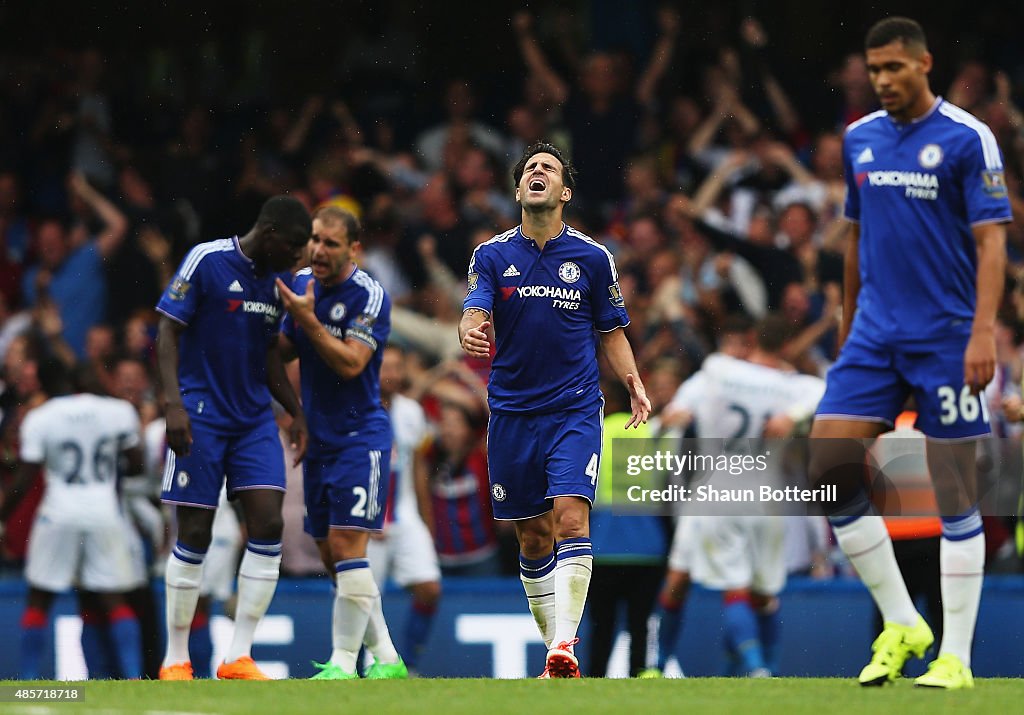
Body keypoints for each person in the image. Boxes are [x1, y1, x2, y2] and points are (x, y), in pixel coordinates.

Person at [808, 17, 1011, 690]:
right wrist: (846, 324)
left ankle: (955, 656)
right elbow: (853, 239)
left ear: (925, 63)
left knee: (956, 493)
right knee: (828, 466)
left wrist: (984, 331)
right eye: (874, 71)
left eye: (895, 67)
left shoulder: (967, 138)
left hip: (947, 335)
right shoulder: (859, 138)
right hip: (874, 334)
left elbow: (991, 244)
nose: (884, 80)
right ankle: (902, 620)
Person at [460, 141, 651, 678]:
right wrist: (468, 329)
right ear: (519, 190)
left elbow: (611, 330)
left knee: (570, 518)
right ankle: (557, 654)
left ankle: (563, 645)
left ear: (564, 192)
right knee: (532, 535)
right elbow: (473, 309)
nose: (537, 174)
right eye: (529, 170)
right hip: (512, 413)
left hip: (574, 410)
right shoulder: (491, 255)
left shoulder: (592, 258)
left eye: (548, 168)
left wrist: (633, 381)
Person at [155, 195, 311, 681]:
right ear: (269, 234)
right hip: (200, 415)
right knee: (195, 533)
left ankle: (238, 656)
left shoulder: (275, 281)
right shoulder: (206, 260)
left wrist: (296, 411)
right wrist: (172, 403)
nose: (298, 256)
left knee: (267, 525)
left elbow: (268, 355)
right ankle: (175, 658)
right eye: (294, 246)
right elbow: (167, 331)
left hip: (252, 421)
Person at [276, 205, 407, 680]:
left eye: (330, 243)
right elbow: (281, 351)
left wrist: (308, 320)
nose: (318, 250)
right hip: (321, 441)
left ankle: (342, 664)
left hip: (361, 438)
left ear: (354, 248)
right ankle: (388, 657)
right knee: (332, 558)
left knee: (347, 547)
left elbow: (351, 363)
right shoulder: (302, 284)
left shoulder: (369, 296)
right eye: (314, 239)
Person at [659, 315, 826, 677]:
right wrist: (795, 417)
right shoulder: (799, 388)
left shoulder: (718, 370)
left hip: (715, 494)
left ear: (751, 340)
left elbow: (674, 413)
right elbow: (825, 392)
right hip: (767, 498)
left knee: (731, 585)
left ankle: (753, 669)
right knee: (758, 591)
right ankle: (754, 668)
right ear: (787, 347)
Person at [0, 359, 144, 679]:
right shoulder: (119, 412)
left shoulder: (42, 416)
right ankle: (134, 676)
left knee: (40, 597)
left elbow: (25, 478)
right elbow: (136, 465)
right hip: (104, 512)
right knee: (113, 599)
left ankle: (26, 683)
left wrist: (2, 516)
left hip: (59, 512)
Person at [367, 344, 442, 674]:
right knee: (362, 601)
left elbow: (418, 470)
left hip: (405, 515)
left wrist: (428, 524)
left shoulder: (412, 411)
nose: (393, 375)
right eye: (386, 367)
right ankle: (355, 667)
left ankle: (407, 664)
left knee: (430, 588)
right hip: (364, 520)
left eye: (398, 368)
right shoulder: (355, 409)